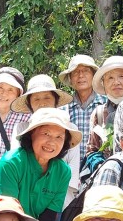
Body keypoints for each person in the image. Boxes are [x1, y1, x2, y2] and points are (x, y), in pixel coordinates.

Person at [10, 75, 81, 206]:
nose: (42, 102)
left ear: (55, 100)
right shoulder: (21, 128)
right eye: (36, 98)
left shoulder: (70, 129)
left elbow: (72, 170)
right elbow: (16, 164)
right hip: (25, 194)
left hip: (60, 196)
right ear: (29, 103)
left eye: (47, 97)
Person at [83, 56, 123, 174]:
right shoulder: (99, 113)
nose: (116, 82)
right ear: (103, 83)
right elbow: (92, 149)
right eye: (110, 78)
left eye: (121, 76)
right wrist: (101, 166)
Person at [0, 66, 29, 189]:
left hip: (10, 181)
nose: (4, 94)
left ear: (19, 94)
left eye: (10, 90)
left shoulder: (26, 117)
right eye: (0, 88)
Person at [59, 54, 105, 169]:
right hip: (68, 171)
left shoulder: (106, 105)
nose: (80, 75)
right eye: (75, 72)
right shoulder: (63, 109)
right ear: (70, 78)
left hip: (98, 168)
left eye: (85, 71)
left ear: (94, 75)